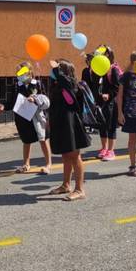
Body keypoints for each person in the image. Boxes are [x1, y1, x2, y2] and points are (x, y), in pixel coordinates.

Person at [48, 59, 90, 201]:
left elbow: (68, 86)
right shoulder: (57, 85)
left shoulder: (72, 85)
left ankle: (79, 190)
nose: (52, 72)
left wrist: (57, 70)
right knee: (65, 155)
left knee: (74, 156)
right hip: (60, 124)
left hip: (72, 125)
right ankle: (66, 185)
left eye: (57, 69)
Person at [9, 62, 52, 175]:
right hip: (22, 117)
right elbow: (12, 100)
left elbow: (45, 98)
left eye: (22, 72)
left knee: (43, 139)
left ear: (29, 72)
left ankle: (48, 164)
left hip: (37, 117)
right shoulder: (17, 85)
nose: (20, 75)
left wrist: (35, 99)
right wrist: (4, 106)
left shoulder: (37, 84)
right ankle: (26, 164)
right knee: (26, 140)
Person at [82, 46, 120, 162]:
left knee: (111, 126)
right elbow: (91, 86)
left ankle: (111, 150)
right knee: (102, 125)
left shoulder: (112, 70)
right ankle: (104, 148)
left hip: (110, 103)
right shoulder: (92, 70)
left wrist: (109, 95)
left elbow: (116, 87)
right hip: (98, 102)